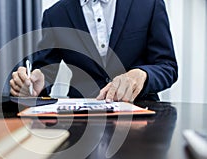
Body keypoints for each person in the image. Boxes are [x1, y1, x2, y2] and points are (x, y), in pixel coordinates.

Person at [9, 0, 178, 102]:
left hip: (141, 117)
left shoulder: (150, 3)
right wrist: (34, 86)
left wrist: (141, 75)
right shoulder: (55, 14)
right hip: (81, 124)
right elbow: (46, 70)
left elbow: (167, 66)